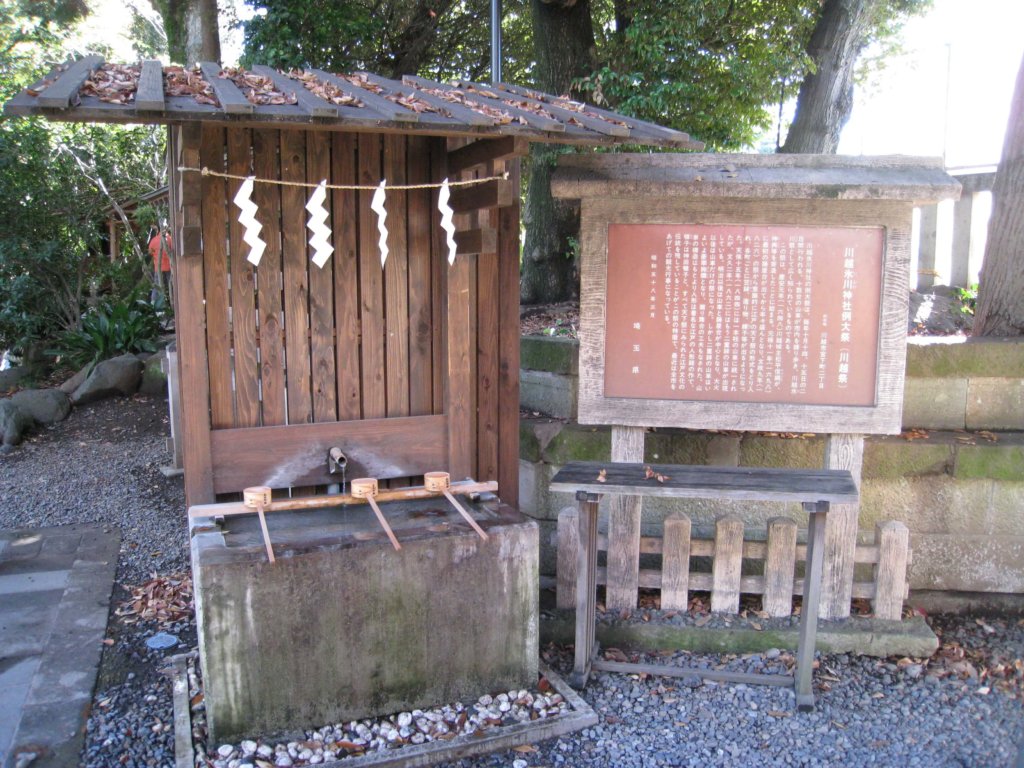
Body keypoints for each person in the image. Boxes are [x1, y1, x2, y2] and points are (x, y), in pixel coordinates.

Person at [149, 227, 173, 303]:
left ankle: (154, 304)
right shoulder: (170, 239)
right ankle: (172, 302)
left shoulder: (154, 240)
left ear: (158, 231)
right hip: (170, 267)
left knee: (157, 287)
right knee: (171, 285)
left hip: (158, 267)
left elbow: (150, 252)